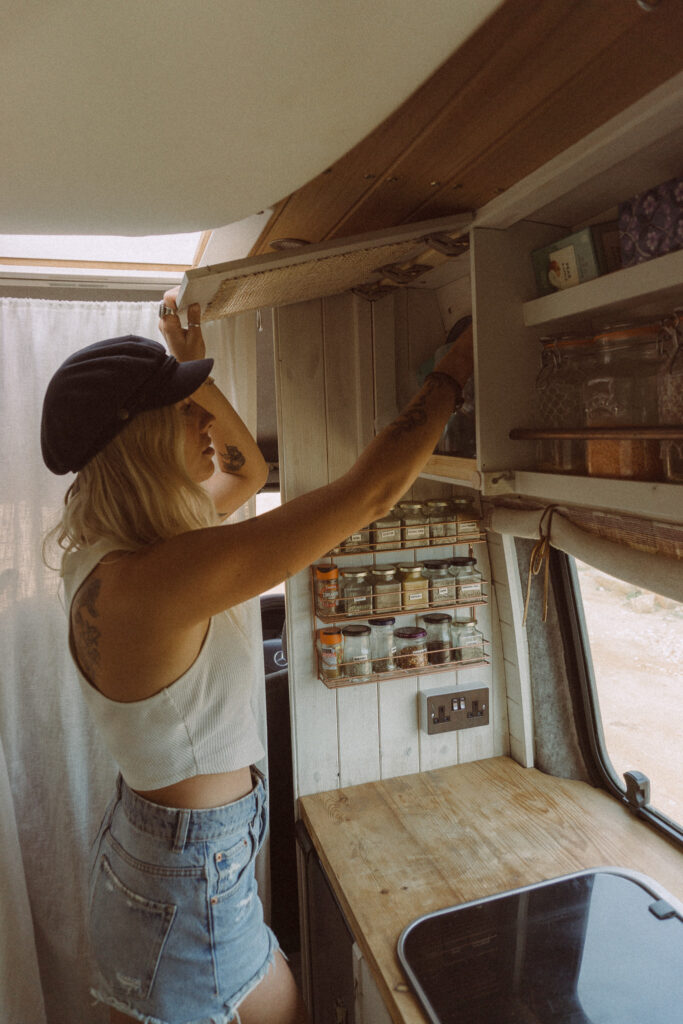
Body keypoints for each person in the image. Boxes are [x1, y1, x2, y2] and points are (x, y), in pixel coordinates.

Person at [41, 287, 474, 1024]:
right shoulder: (153, 582)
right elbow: (371, 494)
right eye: (183, 410)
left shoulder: (114, 557)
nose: (206, 417)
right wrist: (454, 370)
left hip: (182, 860)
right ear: (135, 437)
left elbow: (243, 472)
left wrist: (186, 363)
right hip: (182, 876)